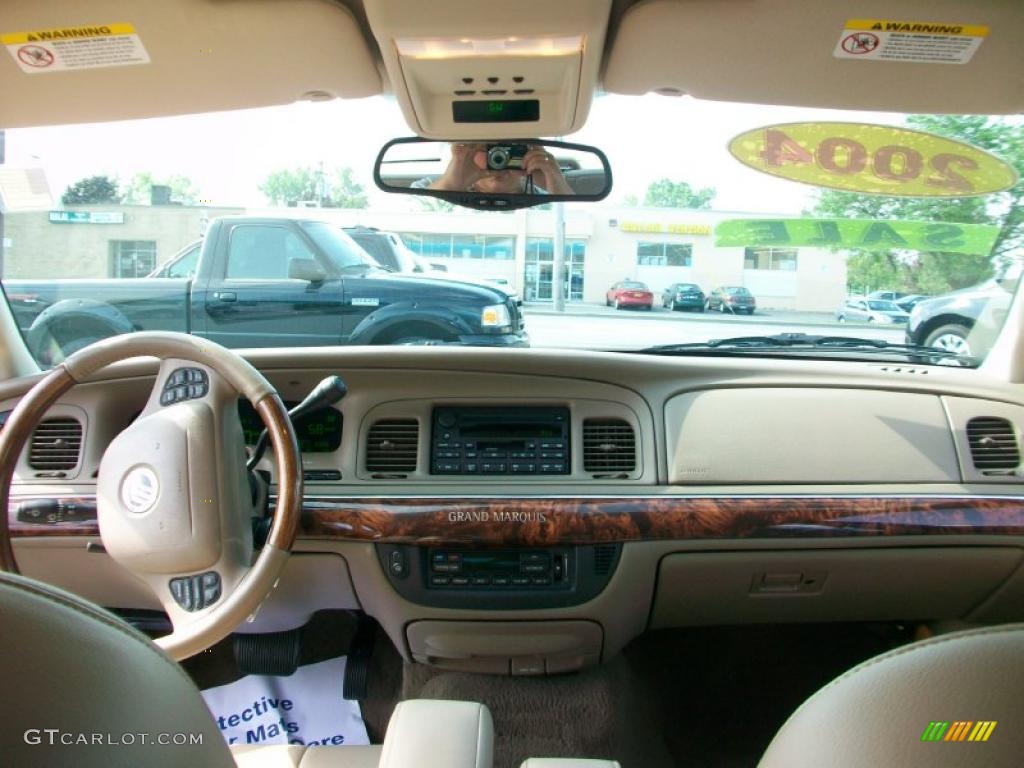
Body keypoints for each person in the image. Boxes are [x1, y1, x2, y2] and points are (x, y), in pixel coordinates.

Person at [420, 142, 573, 195]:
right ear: (467, 151)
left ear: (529, 151)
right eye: (489, 150)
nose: (499, 159)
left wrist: (554, 183)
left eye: (510, 151)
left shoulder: (545, 199)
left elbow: (573, 226)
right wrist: (450, 184)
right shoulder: (425, 188)